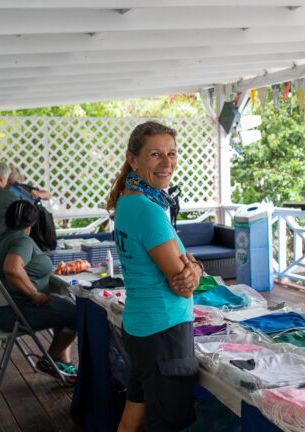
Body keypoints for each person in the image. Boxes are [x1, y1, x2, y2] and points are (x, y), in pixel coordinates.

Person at [106, 121, 204, 432]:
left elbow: (187, 269)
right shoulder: (148, 210)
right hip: (164, 331)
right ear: (133, 159)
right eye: (156, 154)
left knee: (134, 412)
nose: (167, 163)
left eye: (172, 153)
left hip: (141, 326)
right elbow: (184, 285)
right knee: (166, 422)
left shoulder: (128, 201)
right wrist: (195, 271)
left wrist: (195, 268)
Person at [0, 200, 77, 384]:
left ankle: (62, 363)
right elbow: (11, 269)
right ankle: (48, 360)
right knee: (77, 315)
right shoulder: (21, 240)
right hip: (17, 312)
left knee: (63, 306)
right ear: (32, 223)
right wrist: (34, 294)